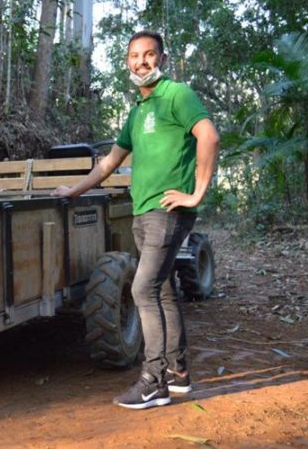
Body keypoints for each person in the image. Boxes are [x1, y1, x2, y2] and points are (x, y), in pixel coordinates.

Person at [53, 30, 219, 410]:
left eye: (149, 54)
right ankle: (177, 373)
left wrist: (196, 193)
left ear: (162, 59)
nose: (141, 62)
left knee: (142, 289)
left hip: (167, 211)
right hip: (143, 212)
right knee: (162, 290)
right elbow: (110, 162)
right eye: (134, 56)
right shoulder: (138, 110)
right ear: (127, 62)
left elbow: (209, 137)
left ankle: (154, 381)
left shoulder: (177, 94)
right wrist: (74, 190)